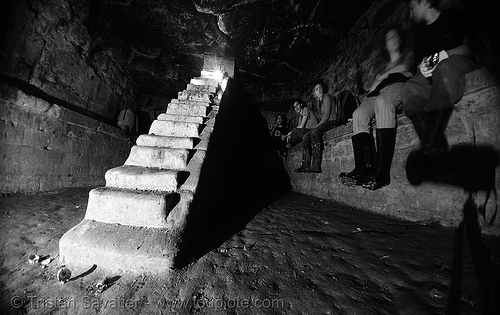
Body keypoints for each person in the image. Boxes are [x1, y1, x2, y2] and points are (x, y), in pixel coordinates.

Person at [402, 0, 475, 182]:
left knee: (443, 69)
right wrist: (423, 68)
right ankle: (438, 150)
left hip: (456, 63)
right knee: (408, 88)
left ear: (425, 2)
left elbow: (470, 47)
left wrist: (445, 54)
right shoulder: (419, 35)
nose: (411, 12)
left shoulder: (451, 16)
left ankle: (428, 147)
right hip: (431, 77)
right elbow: (421, 66)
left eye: (412, 6)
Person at [339, 26, 415, 189]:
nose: (393, 39)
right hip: (378, 93)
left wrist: (383, 77)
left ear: (400, 40)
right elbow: (372, 88)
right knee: (359, 113)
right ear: (385, 45)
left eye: (395, 35)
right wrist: (383, 76)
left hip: (398, 85)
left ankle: (382, 173)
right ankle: (363, 169)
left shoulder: (407, 54)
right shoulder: (381, 68)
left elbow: (405, 69)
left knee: (383, 103)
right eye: (389, 38)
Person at [296, 79, 337, 173]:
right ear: (314, 93)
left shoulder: (326, 96)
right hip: (326, 122)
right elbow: (322, 116)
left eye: (321, 87)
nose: (320, 90)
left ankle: (316, 165)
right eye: (317, 89)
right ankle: (305, 164)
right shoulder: (320, 101)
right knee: (306, 136)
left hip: (332, 122)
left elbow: (326, 115)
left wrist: (317, 126)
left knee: (314, 132)